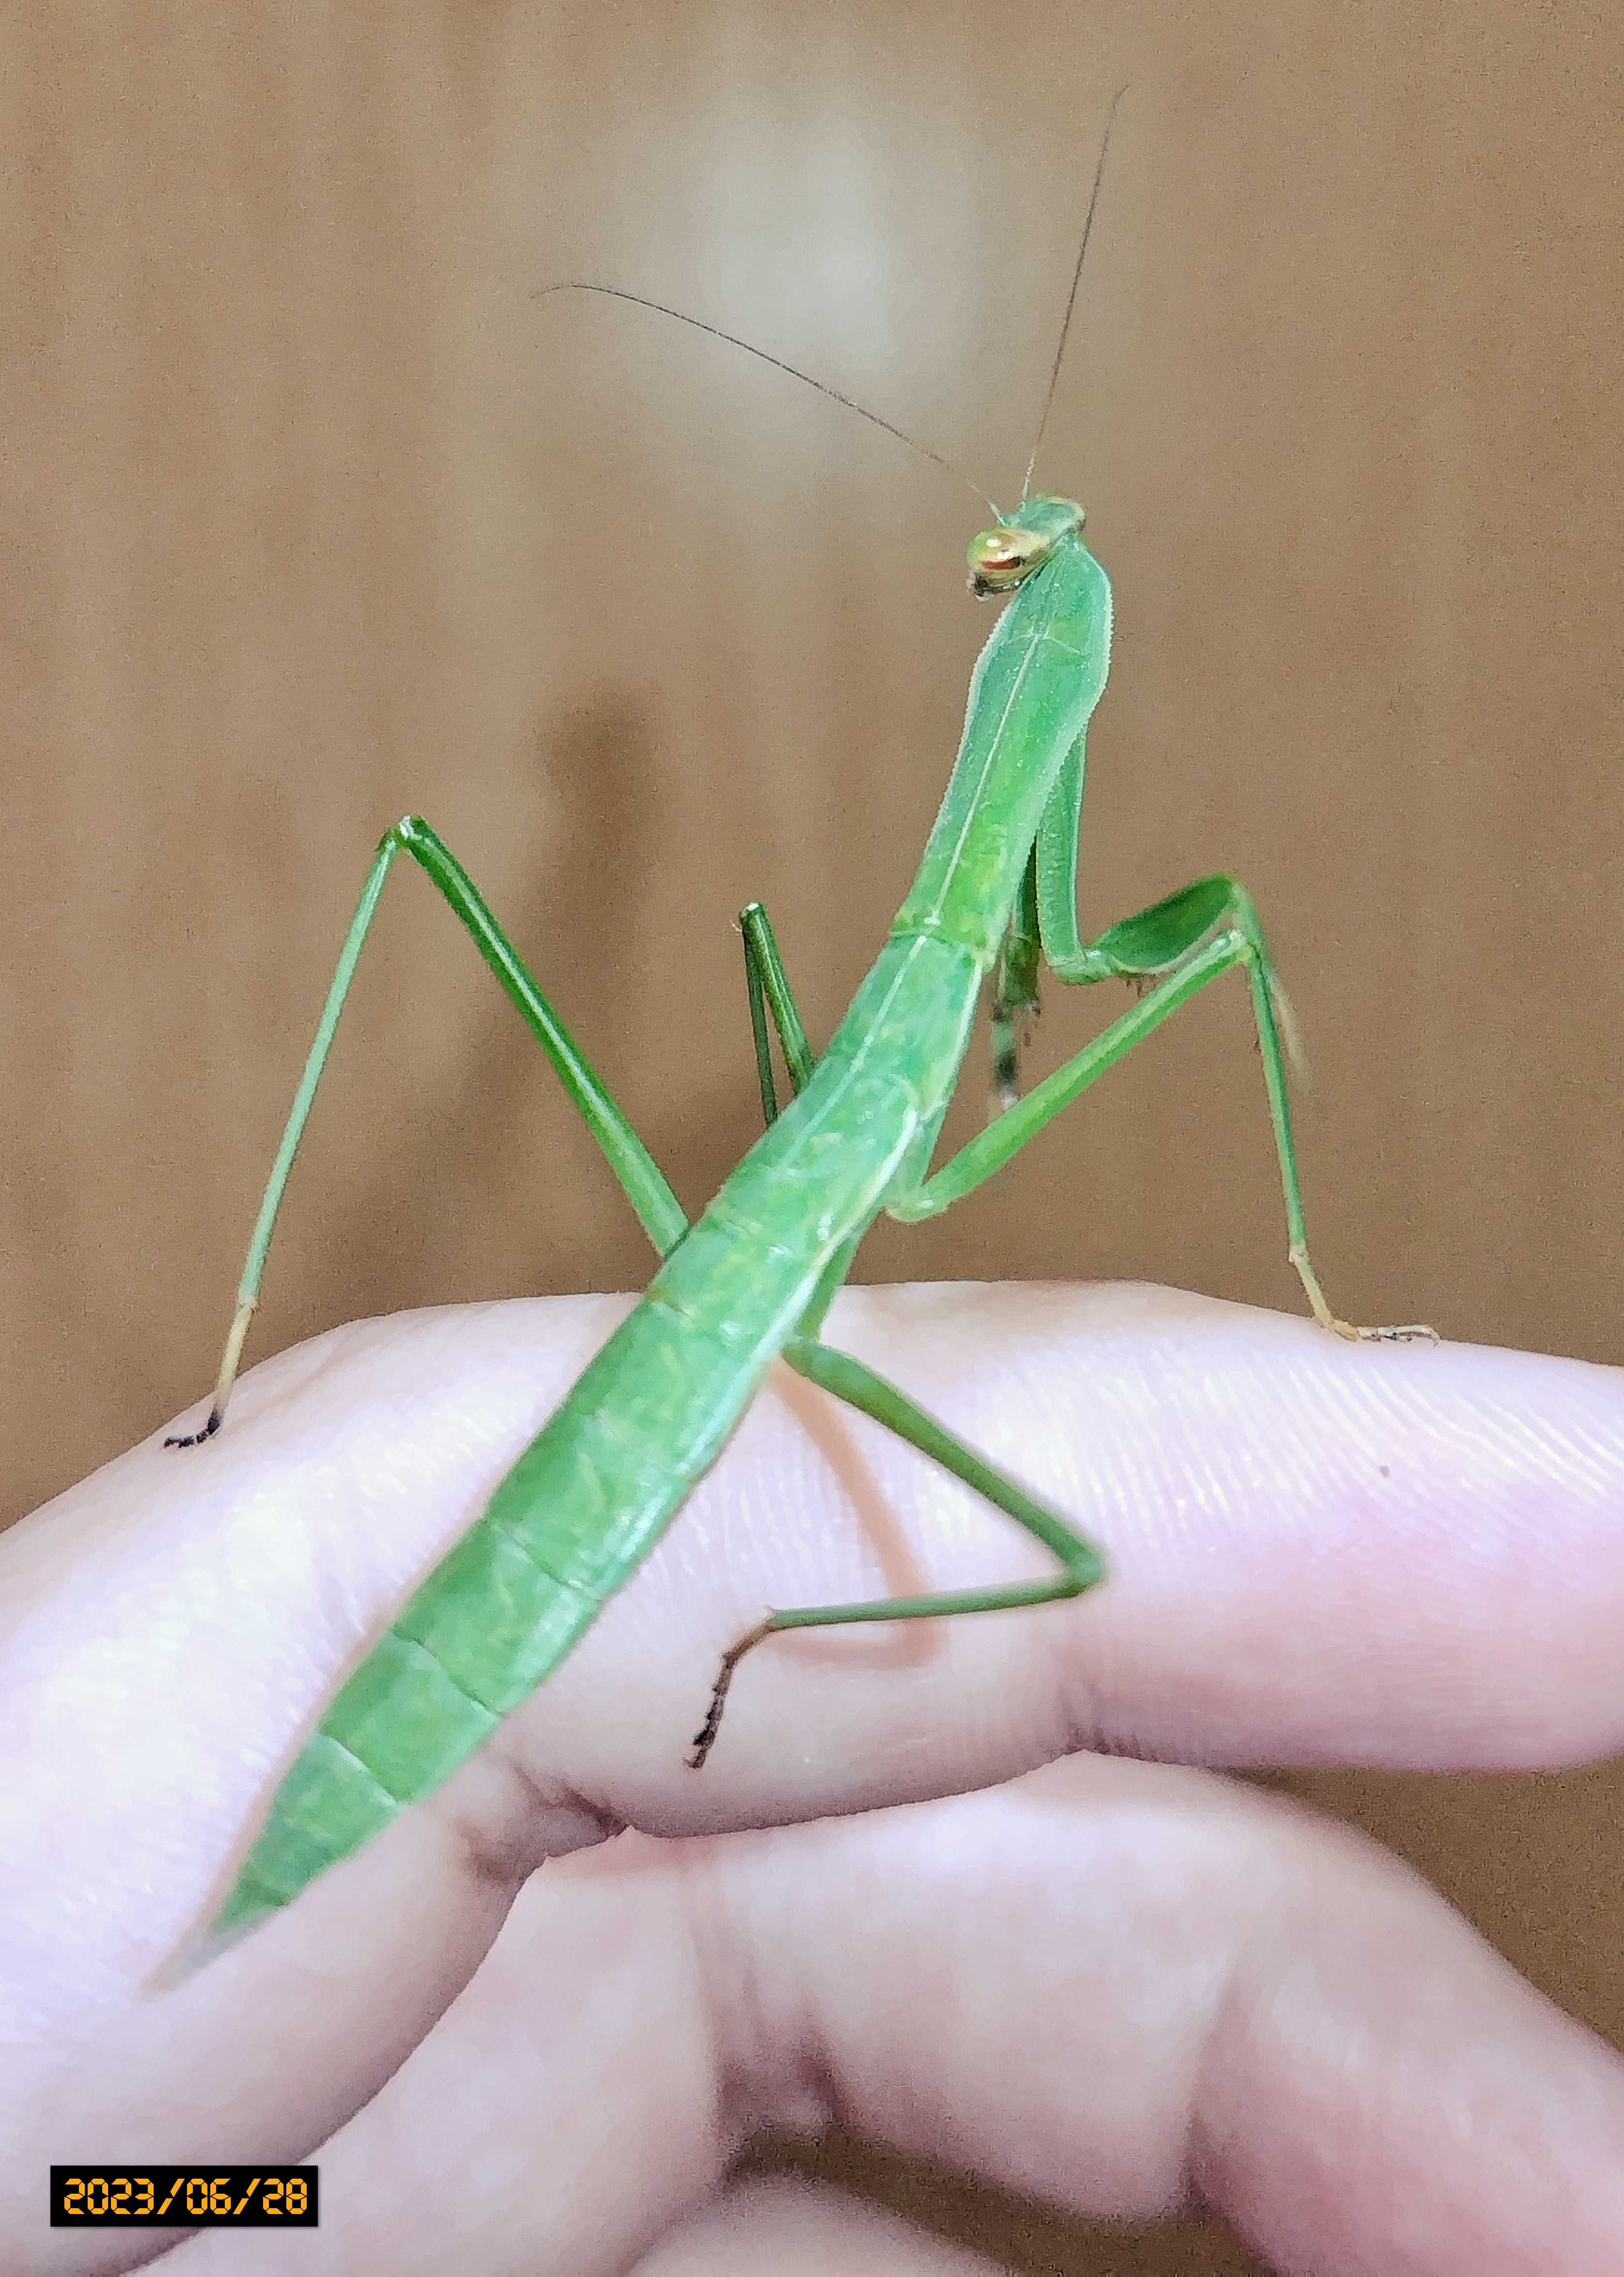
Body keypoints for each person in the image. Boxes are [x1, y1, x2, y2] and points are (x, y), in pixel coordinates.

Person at [6, 1282, 1624, 2272]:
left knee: (193, 2196)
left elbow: (119, 2199)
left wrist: (189, 2214)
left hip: (181, 2179)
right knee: (1070, 1554)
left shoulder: (147, 2187)